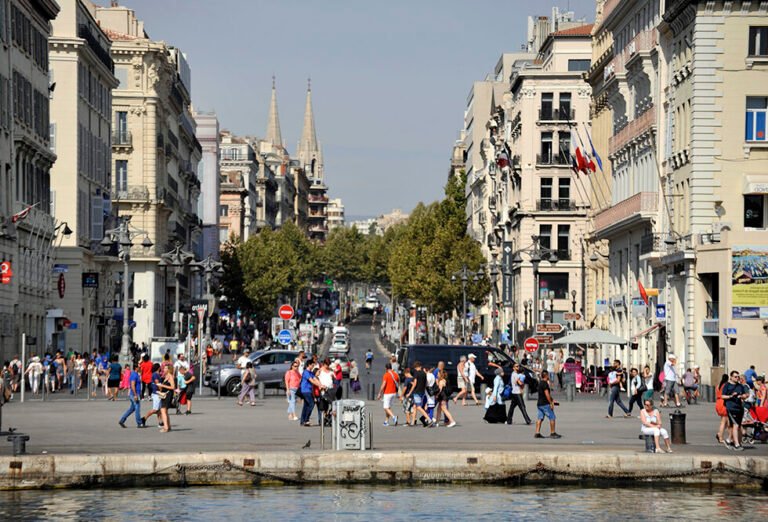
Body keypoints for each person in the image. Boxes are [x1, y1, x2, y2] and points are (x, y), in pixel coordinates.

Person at [722, 370, 749, 450]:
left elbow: (745, 394)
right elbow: (723, 396)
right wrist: (731, 396)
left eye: (738, 377)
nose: (737, 378)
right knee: (736, 425)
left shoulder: (740, 386)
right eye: (735, 377)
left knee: (736, 425)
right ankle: (736, 444)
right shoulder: (727, 385)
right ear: (731, 377)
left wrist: (742, 396)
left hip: (739, 408)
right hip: (731, 407)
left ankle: (729, 440)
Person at [405, 361, 433, 427]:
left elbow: (414, 384)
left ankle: (429, 419)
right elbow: (425, 383)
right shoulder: (424, 373)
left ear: (416, 367)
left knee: (418, 407)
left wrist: (409, 393)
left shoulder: (416, 374)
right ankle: (413, 422)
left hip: (417, 392)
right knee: (415, 406)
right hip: (422, 391)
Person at [534, 371, 561, 439]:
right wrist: (551, 403)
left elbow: (544, 394)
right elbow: (547, 394)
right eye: (548, 375)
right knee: (552, 417)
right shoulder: (545, 384)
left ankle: (537, 433)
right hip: (545, 404)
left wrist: (552, 400)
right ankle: (552, 433)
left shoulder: (540, 383)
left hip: (539, 404)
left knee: (540, 418)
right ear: (546, 376)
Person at [118, 363, 143, 428]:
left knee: (132, 409)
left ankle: (122, 420)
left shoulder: (136, 374)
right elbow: (132, 385)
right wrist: (135, 395)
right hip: (134, 394)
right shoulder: (134, 375)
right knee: (137, 408)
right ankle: (139, 423)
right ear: (136, 368)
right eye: (139, 367)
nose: (140, 368)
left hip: (135, 393)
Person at [299, 360, 321, 426]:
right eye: (312, 365)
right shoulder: (306, 372)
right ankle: (306, 420)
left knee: (306, 406)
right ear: (309, 365)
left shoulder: (310, 372)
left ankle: (302, 421)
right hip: (305, 390)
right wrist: (319, 385)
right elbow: (311, 381)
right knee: (311, 404)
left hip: (309, 390)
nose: (313, 366)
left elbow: (315, 379)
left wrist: (321, 384)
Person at [156, 365, 176, 433]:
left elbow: (173, 387)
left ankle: (166, 427)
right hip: (164, 394)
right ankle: (168, 426)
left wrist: (162, 385)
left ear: (169, 369)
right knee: (165, 411)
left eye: (165, 368)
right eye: (164, 368)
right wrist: (160, 387)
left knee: (163, 411)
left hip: (167, 395)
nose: (164, 369)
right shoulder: (166, 376)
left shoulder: (170, 376)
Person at [714, 373, 730, 446]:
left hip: (718, 402)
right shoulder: (726, 385)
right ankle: (720, 437)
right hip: (724, 403)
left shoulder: (718, 386)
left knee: (724, 421)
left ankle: (719, 434)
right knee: (724, 421)